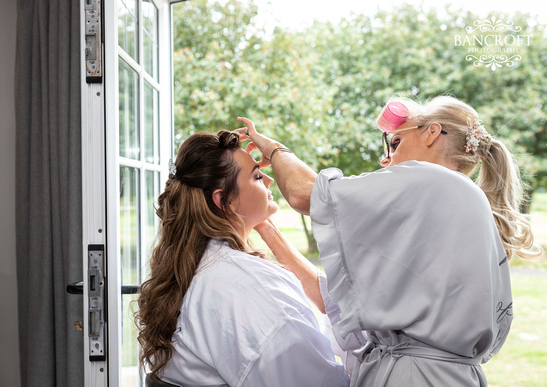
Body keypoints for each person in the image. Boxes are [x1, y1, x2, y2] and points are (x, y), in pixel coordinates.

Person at [235, 95, 543, 387]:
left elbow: (304, 192)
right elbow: (336, 301)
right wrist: (265, 227)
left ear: (431, 133)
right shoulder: (457, 199)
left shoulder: (428, 179)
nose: (387, 159)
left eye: (394, 143)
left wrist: (275, 149)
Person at [136, 130, 349, 386]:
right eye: (257, 176)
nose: (270, 180)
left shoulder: (194, 267)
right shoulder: (252, 289)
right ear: (223, 200)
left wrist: (259, 223)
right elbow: (319, 382)